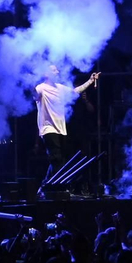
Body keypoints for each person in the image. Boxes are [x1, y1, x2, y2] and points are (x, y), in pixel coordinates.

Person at [35, 65, 98, 193]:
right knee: (57, 159)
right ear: (46, 74)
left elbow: (76, 91)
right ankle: (58, 190)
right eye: (54, 70)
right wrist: (30, 84)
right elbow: (35, 95)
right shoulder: (41, 88)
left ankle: (44, 187)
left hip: (60, 129)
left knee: (58, 159)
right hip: (48, 129)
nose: (57, 71)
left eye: (57, 69)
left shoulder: (60, 88)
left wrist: (90, 81)